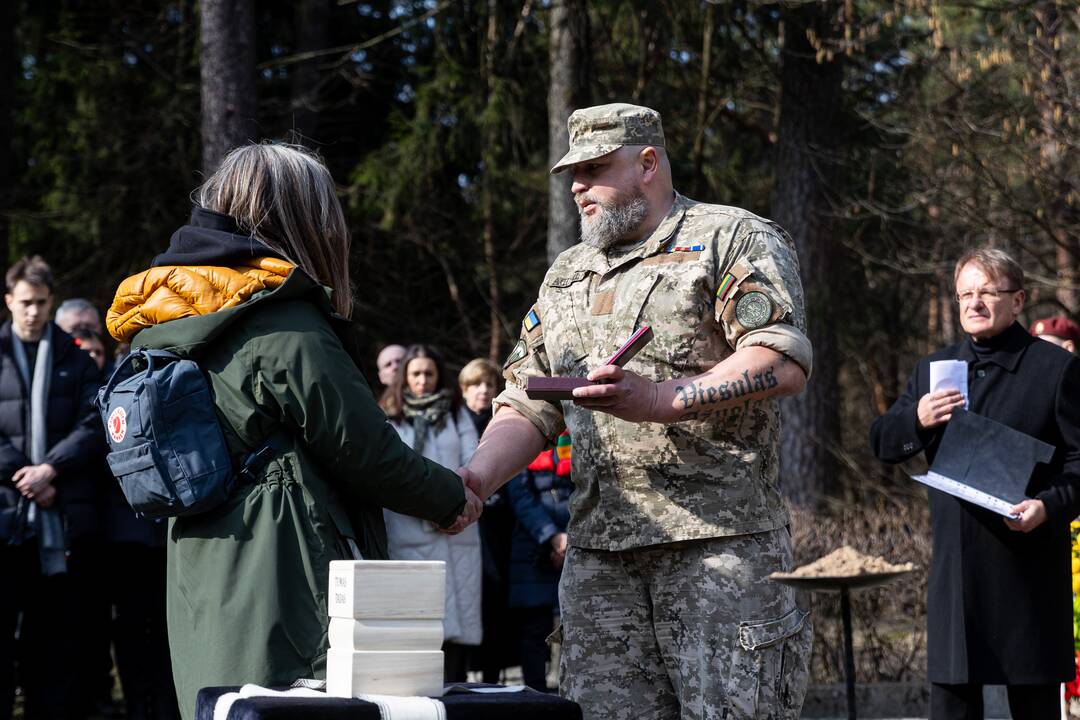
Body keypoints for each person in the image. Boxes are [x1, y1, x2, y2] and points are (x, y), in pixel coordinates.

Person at [458, 103, 813, 720]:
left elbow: (780, 360)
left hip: (718, 552)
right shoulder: (568, 274)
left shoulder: (729, 238)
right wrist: (477, 478)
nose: (576, 186)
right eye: (572, 172)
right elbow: (526, 397)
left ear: (648, 164)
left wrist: (659, 399)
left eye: (594, 169)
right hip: (599, 563)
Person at [105, 143, 481, 720]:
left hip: (201, 571)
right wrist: (452, 496)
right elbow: (367, 450)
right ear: (299, 220)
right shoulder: (279, 322)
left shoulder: (166, 319)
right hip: (287, 578)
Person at [869, 248, 1080, 720]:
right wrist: (918, 420)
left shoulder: (1055, 370)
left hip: (1029, 576)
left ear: (1019, 299)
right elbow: (882, 442)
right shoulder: (932, 369)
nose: (974, 303)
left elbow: (1079, 462)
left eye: (987, 291)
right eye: (965, 293)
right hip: (957, 580)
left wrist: (1047, 506)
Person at [0, 257, 104, 720]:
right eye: (25, 303)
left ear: (51, 302)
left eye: (41, 303)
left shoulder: (74, 358)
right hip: (7, 519)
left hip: (62, 522)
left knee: (54, 645)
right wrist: (25, 475)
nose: (33, 312)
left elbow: (94, 422)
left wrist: (50, 470)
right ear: (9, 301)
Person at [71, 326, 180, 720]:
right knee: (141, 627)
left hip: (139, 529)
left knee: (143, 628)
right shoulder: (126, 379)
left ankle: (151, 706)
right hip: (135, 531)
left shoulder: (117, 380)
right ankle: (150, 706)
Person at [380, 345, 482, 683]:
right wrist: (429, 504)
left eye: (429, 373)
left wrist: (456, 503)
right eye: (416, 374)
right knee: (416, 624)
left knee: (457, 629)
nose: (422, 380)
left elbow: (474, 461)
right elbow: (391, 472)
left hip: (457, 527)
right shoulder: (389, 417)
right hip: (409, 532)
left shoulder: (456, 414)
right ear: (404, 377)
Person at [459, 359, 517, 682]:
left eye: (489, 385)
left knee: (496, 600)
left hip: (499, 527)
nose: (482, 391)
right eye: (475, 385)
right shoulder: (455, 424)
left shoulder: (503, 425)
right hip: (466, 526)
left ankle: (493, 675)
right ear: (464, 390)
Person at [505, 430, 573, 692]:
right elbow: (520, 495)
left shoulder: (574, 432)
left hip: (573, 538)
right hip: (532, 543)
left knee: (570, 625)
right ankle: (534, 692)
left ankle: (567, 691)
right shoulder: (525, 435)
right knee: (535, 628)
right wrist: (551, 537)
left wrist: (569, 536)